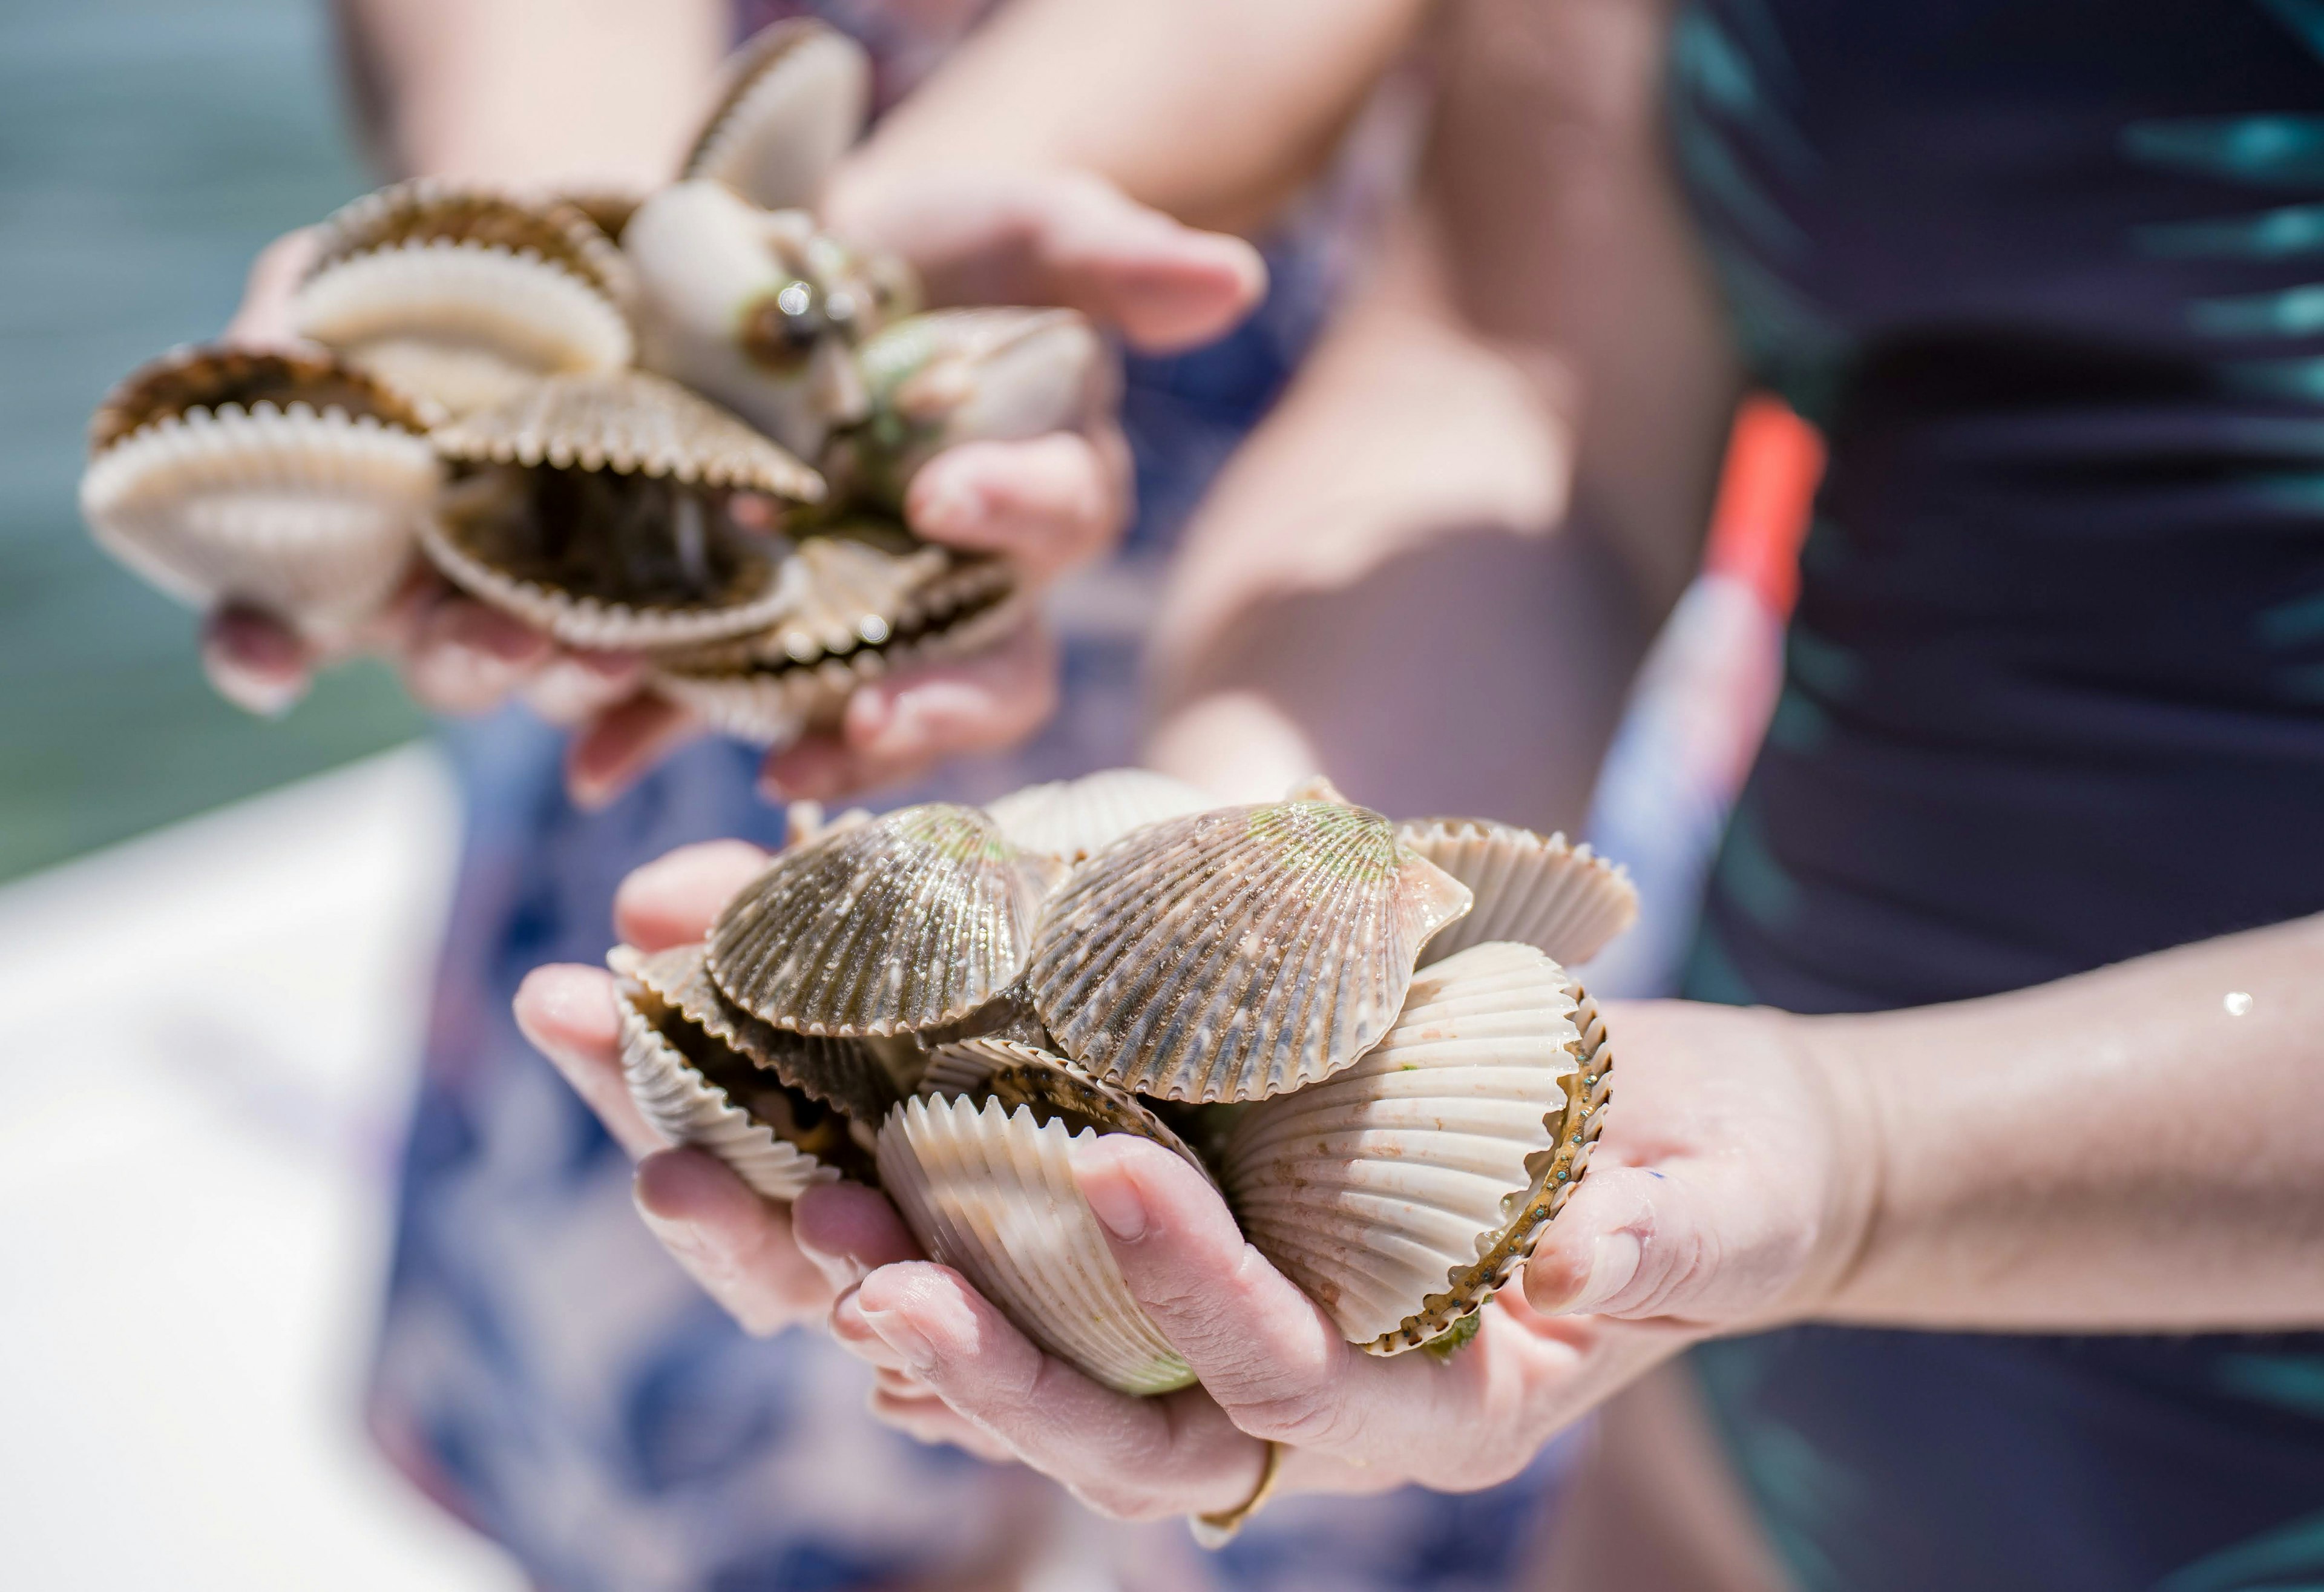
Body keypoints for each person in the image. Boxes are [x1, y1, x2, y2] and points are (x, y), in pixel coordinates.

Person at [520, 2, 2324, 1589]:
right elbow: (1521, 392)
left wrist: (1865, 1161)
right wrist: (1225, 888)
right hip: (1725, 1448)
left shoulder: (1822, 1171)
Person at [212, 1, 1659, 1585]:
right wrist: (600, 323)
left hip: (1389, 648)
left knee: (1310, 1437)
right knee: (756, 1461)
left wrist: (860, 268)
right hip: (738, 619)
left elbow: (1528, 335)